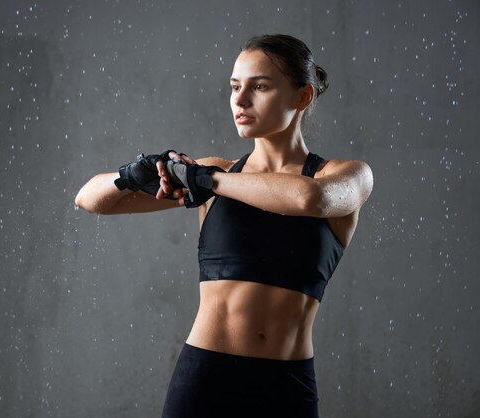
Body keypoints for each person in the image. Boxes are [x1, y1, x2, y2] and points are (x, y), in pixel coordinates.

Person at [75, 34, 373, 418]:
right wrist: (133, 173)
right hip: (205, 381)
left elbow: (308, 199)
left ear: (302, 97)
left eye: (259, 86)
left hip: (285, 387)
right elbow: (88, 199)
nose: (240, 100)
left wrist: (208, 181)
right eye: (235, 87)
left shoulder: (346, 175)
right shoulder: (213, 172)